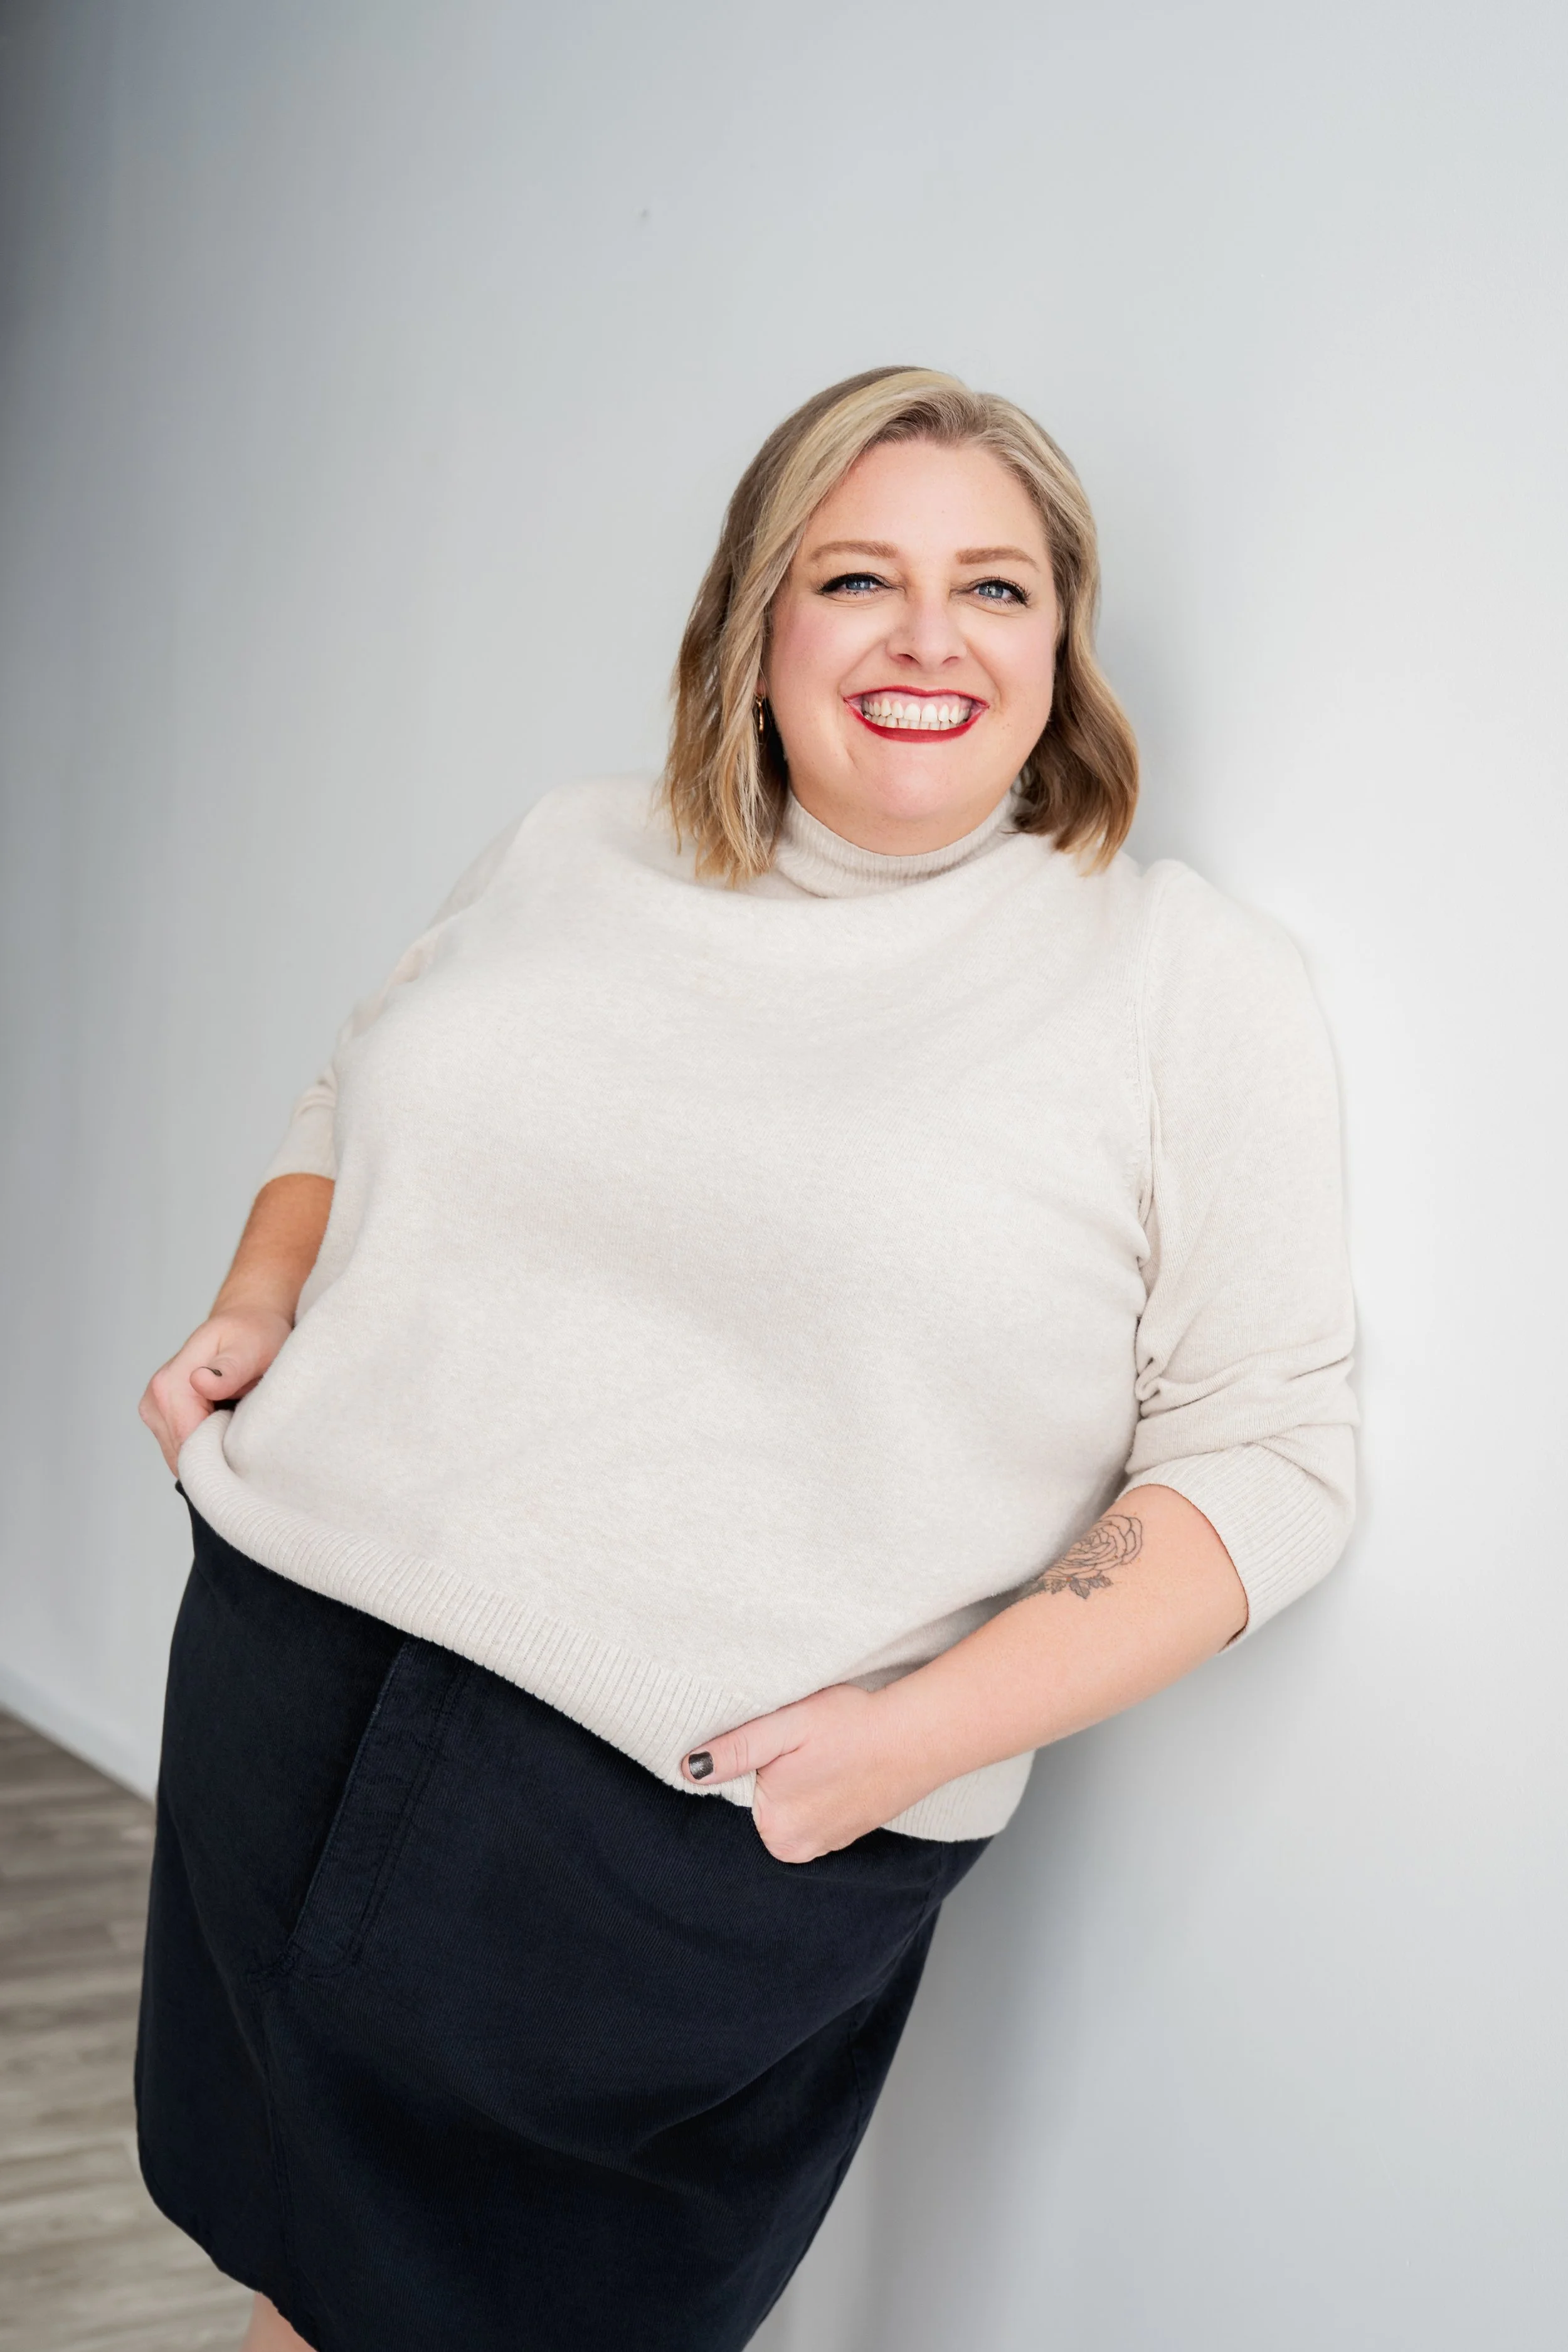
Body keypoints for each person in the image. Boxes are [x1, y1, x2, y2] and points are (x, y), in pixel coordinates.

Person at [135, 366, 1355, 2352]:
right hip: (294, 1668)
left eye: (997, 587)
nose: (926, 638)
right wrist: (260, 1297)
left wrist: (909, 1737)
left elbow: (1275, 1452)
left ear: (1066, 639)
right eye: (856, 576)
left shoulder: (1176, 980)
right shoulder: (569, 845)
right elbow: (349, 1086)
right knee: (282, 2271)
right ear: (753, 622)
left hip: (673, 1831)